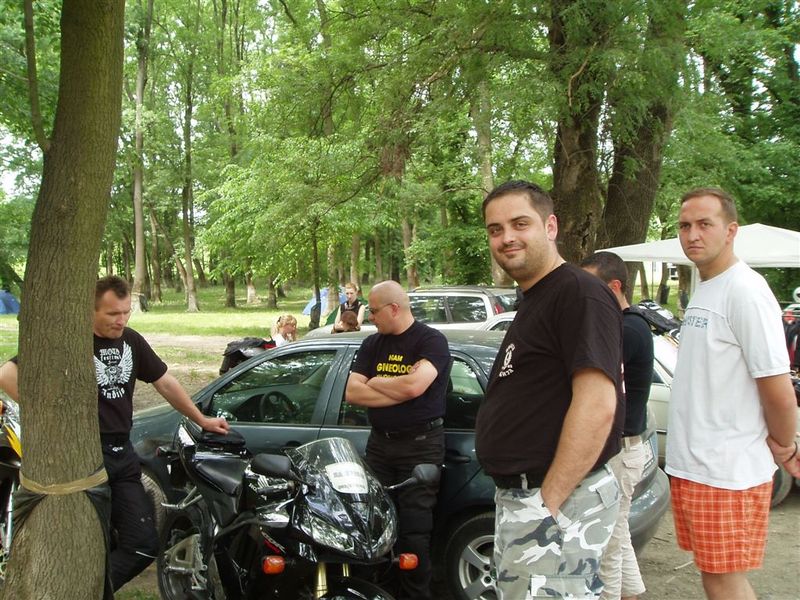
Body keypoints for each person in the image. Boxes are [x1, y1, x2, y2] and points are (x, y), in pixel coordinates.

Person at [0, 275, 229, 591]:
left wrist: (202, 420)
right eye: (112, 314)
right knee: (92, 541)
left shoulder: (131, 341)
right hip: (86, 456)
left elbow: (165, 382)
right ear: (91, 310)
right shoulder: (71, 343)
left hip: (123, 454)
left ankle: (89, 593)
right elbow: (7, 374)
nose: (121, 320)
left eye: (125, 312)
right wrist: (51, 419)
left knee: (143, 544)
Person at [475, 180, 623, 599]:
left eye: (520, 223)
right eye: (495, 229)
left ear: (550, 226)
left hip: (557, 501)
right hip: (526, 498)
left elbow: (597, 405)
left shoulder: (578, 293)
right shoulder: (537, 297)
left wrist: (546, 505)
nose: (506, 237)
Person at [666, 187, 799, 600]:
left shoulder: (745, 290)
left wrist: (784, 444)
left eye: (705, 224)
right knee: (714, 577)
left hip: (727, 471)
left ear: (731, 230)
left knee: (724, 581)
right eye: (685, 225)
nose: (692, 234)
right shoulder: (707, 285)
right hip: (696, 466)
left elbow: (777, 387)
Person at [345, 280, 451, 600]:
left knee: (414, 535)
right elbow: (353, 393)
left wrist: (376, 381)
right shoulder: (372, 344)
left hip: (420, 446)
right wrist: (400, 387)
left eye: (374, 310)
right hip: (380, 446)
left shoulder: (431, 341)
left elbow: (415, 387)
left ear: (393, 308)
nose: (369, 317)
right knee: (373, 527)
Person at [581, 251, 653, 600]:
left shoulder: (627, 329)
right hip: (624, 450)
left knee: (606, 542)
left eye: (591, 288)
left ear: (614, 287)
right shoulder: (627, 325)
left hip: (620, 452)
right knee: (618, 535)